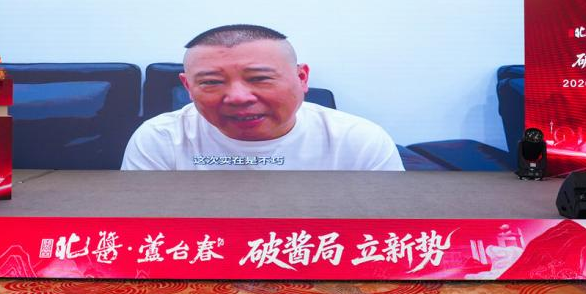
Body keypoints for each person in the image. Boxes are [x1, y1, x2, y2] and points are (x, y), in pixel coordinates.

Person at [121, 24, 404, 171]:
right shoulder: (160, 139)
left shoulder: (358, 140)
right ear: (188, 86)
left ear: (302, 78)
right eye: (212, 82)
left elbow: (389, 231)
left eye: (259, 78)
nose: (238, 98)